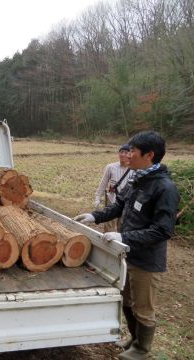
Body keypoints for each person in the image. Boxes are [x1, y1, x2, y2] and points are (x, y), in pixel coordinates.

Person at [74, 131, 179, 360]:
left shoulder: (164, 188)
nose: (127, 155)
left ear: (149, 154)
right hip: (127, 254)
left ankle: (142, 350)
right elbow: (119, 205)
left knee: (143, 306)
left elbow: (163, 230)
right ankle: (134, 339)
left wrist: (125, 238)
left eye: (132, 151)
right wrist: (94, 216)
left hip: (146, 260)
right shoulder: (138, 179)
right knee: (127, 299)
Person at [94, 144, 131, 232]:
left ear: (130, 155)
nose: (123, 154)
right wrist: (97, 197)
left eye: (126, 152)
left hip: (126, 202)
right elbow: (103, 183)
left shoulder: (134, 169)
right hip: (111, 200)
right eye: (121, 152)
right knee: (108, 227)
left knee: (122, 229)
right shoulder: (110, 167)